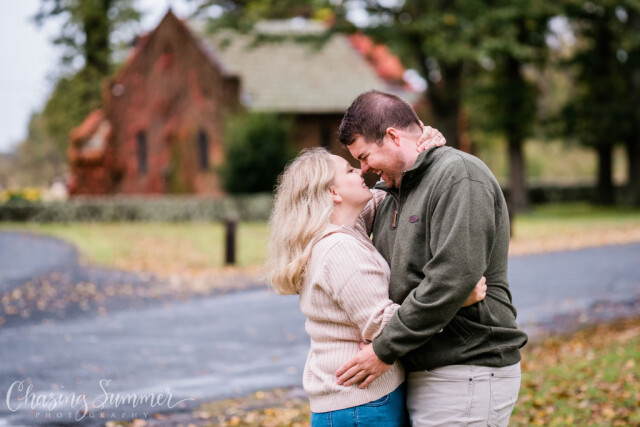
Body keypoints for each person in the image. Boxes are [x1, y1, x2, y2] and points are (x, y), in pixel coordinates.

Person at [335, 90, 529, 427]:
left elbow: (451, 278)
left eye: (364, 157)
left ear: (393, 136)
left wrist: (384, 348)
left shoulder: (460, 176)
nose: (364, 169)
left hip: (467, 367)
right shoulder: (391, 192)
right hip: (424, 368)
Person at [266, 142, 488, 427]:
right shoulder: (340, 249)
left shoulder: (345, 229)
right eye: (349, 170)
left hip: (356, 400)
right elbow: (383, 325)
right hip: (361, 402)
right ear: (333, 193)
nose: (362, 171)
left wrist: (416, 147)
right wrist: (454, 300)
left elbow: (393, 192)